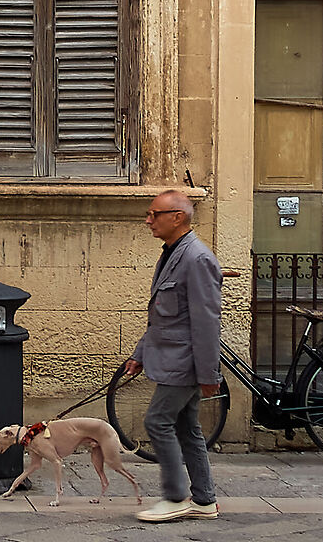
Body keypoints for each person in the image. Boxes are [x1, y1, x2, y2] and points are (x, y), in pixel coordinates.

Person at [120, 189, 221, 522]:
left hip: (185, 362)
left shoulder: (197, 259)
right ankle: (204, 500)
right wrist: (140, 354)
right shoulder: (172, 253)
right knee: (186, 427)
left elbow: (206, 322)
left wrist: (208, 375)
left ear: (177, 217)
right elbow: (162, 317)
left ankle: (176, 496)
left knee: (157, 421)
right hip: (172, 358)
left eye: (154, 214)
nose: (148, 220)